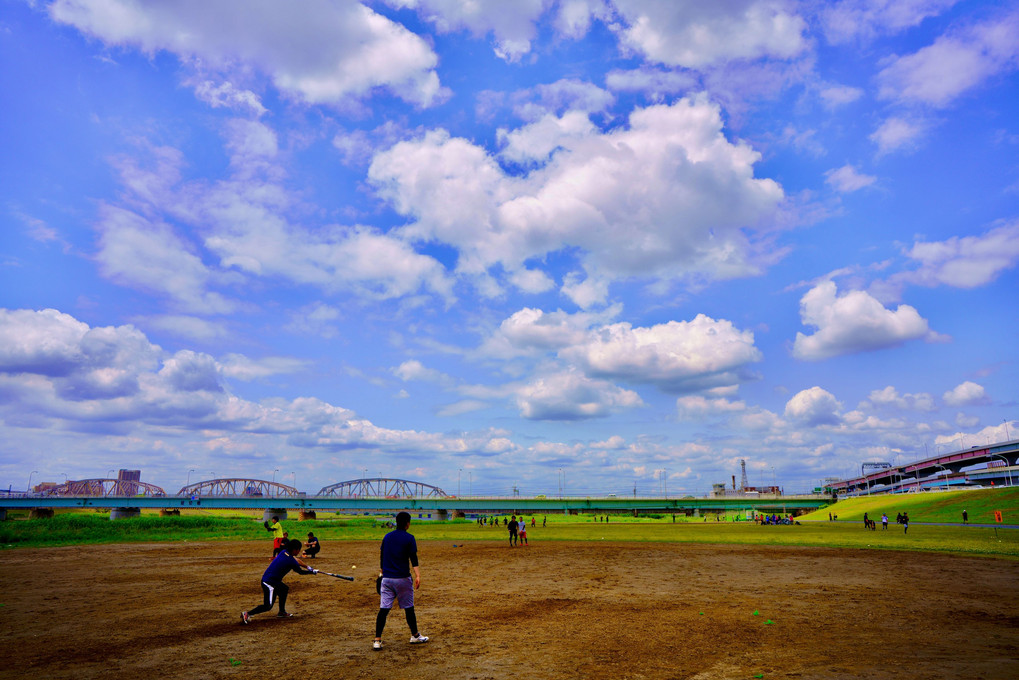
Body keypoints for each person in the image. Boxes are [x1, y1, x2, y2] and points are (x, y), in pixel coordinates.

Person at [374, 511, 428, 650]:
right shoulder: (409, 538)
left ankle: (377, 640)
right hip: (402, 579)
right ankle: (415, 636)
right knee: (409, 608)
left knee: (383, 610)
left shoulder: (387, 536)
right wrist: (418, 575)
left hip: (387, 579)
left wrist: (381, 572)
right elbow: (413, 558)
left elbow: (382, 555)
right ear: (407, 523)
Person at [241, 538, 317, 623]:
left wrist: (308, 567)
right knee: (268, 606)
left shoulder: (284, 552)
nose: (299, 552)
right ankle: (247, 614)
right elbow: (300, 572)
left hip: (273, 580)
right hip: (268, 582)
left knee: (284, 589)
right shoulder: (290, 561)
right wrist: (312, 572)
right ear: (295, 550)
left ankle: (282, 612)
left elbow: (297, 560)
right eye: (298, 550)